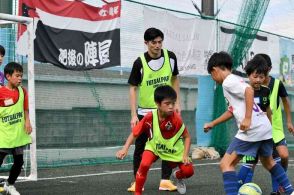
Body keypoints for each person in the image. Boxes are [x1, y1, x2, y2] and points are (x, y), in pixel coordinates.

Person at [204, 51, 294, 195]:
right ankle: (290, 191)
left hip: (252, 130)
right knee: (269, 162)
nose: (213, 79)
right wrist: (213, 123)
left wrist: (247, 118)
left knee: (226, 164)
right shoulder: (235, 80)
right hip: (264, 128)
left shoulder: (228, 81)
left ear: (215, 69)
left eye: (211, 75)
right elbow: (231, 110)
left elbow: (249, 91)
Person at [127, 27, 180, 192]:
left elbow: (175, 78)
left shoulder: (170, 57)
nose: (157, 45)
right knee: (140, 148)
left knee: (169, 145)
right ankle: (137, 181)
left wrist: (176, 103)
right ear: (146, 43)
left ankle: (165, 180)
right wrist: (134, 114)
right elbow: (132, 88)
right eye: (153, 42)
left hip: (166, 111)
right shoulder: (139, 63)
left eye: (159, 42)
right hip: (145, 113)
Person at [116, 85, 193, 195]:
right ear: (158, 104)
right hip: (155, 147)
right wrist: (124, 149)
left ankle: (177, 176)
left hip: (173, 149)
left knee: (188, 172)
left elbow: (187, 137)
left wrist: (185, 155)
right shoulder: (149, 117)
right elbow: (134, 133)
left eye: (173, 103)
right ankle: (137, 193)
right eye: (167, 104)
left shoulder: (176, 119)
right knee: (144, 164)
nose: (171, 106)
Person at [256, 53, 294, 195]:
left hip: (276, 129)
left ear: (269, 69)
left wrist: (289, 121)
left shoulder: (277, 84)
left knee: (284, 156)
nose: (261, 75)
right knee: (272, 160)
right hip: (261, 130)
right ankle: (276, 190)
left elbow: (285, 101)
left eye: (263, 71)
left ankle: (281, 179)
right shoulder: (253, 86)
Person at [237, 55, 272, 186]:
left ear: (265, 77)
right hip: (249, 133)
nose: (258, 80)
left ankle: (246, 187)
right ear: (248, 75)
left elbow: (268, 110)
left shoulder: (266, 91)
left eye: (261, 77)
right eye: (255, 76)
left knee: (258, 161)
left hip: (263, 133)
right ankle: (238, 186)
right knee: (249, 161)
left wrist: (270, 127)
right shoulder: (244, 90)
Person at [0, 62, 32, 195]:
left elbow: (25, 109)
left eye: (21, 76)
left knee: (19, 163)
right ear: (8, 76)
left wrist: (28, 121)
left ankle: (10, 185)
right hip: (4, 135)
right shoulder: (1, 92)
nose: (20, 78)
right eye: (17, 76)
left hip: (18, 135)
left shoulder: (23, 91)